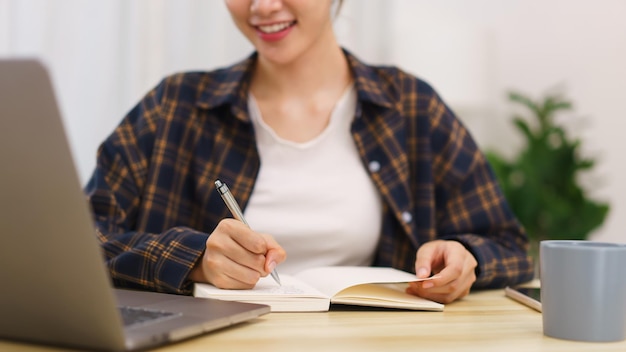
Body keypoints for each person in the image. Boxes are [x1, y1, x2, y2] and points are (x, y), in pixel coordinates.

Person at [86, 0, 534, 304]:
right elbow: (80, 239)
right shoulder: (176, 106)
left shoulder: (411, 107)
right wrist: (195, 260)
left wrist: (463, 256)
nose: (261, 7)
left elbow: (509, 246)